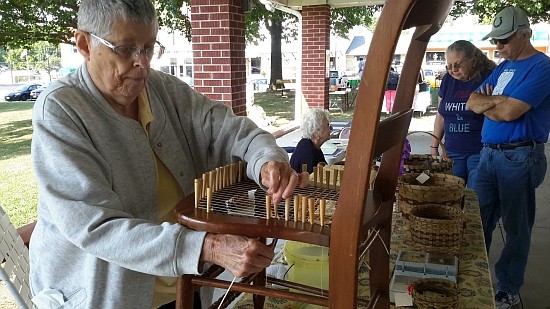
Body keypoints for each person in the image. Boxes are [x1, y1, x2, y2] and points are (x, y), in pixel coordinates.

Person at [28, 1, 308, 308]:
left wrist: (267, 159)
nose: (142, 64)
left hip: (182, 287)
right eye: (125, 48)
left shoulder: (162, 89)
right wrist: (207, 247)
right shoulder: (61, 108)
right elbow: (95, 225)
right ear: (84, 44)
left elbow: (227, 128)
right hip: (106, 297)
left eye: (148, 48)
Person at [466, 6, 550, 309]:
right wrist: (495, 101)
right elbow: (472, 100)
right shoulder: (504, 67)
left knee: (516, 227)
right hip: (489, 154)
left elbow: (509, 111)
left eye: (504, 40)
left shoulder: (542, 67)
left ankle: (508, 287)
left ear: (525, 34)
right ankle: (473, 275)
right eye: (496, 40)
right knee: (477, 221)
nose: (498, 46)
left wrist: (495, 104)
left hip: (520, 156)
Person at [430, 40, 496, 187]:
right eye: (449, 65)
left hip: (480, 151)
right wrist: (434, 146)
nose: (453, 69)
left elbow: (495, 113)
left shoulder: (488, 78)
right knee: (449, 197)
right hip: (451, 151)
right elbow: (441, 115)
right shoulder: (447, 80)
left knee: (476, 198)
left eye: (458, 64)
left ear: (473, 61)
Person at [290, 109, 332, 173]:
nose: (331, 128)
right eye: (327, 126)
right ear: (316, 133)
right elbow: (312, 181)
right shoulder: (307, 155)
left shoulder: (310, 145)